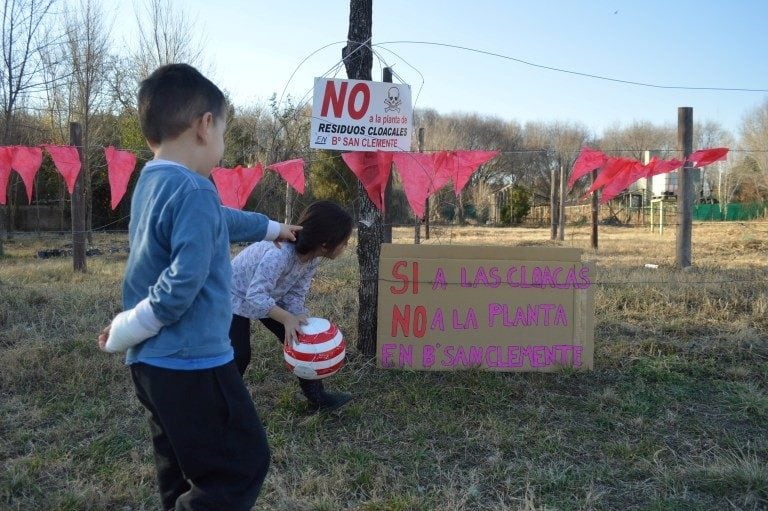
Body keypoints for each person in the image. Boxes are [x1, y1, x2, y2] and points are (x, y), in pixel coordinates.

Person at [97, 63, 301, 511]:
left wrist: (270, 227)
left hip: (151, 369)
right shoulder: (196, 190)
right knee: (241, 465)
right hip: (193, 364)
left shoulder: (152, 183)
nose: (223, 150)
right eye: (224, 135)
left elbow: (221, 221)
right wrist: (131, 324)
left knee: (179, 474)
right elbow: (180, 286)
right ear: (205, 127)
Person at [229, 200, 354, 412]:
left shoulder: (312, 258)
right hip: (234, 295)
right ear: (325, 243)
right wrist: (286, 318)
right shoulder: (280, 254)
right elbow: (254, 295)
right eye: (344, 241)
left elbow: (297, 292)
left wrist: (298, 318)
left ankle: (317, 398)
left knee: (301, 340)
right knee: (239, 353)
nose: (345, 246)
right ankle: (226, 405)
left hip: (268, 296)